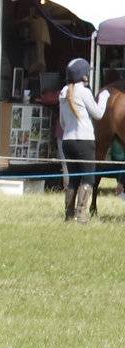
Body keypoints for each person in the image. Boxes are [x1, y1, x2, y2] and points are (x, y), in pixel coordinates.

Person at [57, 56, 105, 224]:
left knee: (74, 178)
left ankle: (69, 215)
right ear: (83, 75)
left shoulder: (63, 92)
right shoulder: (84, 92)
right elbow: (98, 114)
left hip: (67, 141)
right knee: (88, 178)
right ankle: (82, 215)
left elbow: (62, 122)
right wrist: (104, 96)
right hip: (84, 141)